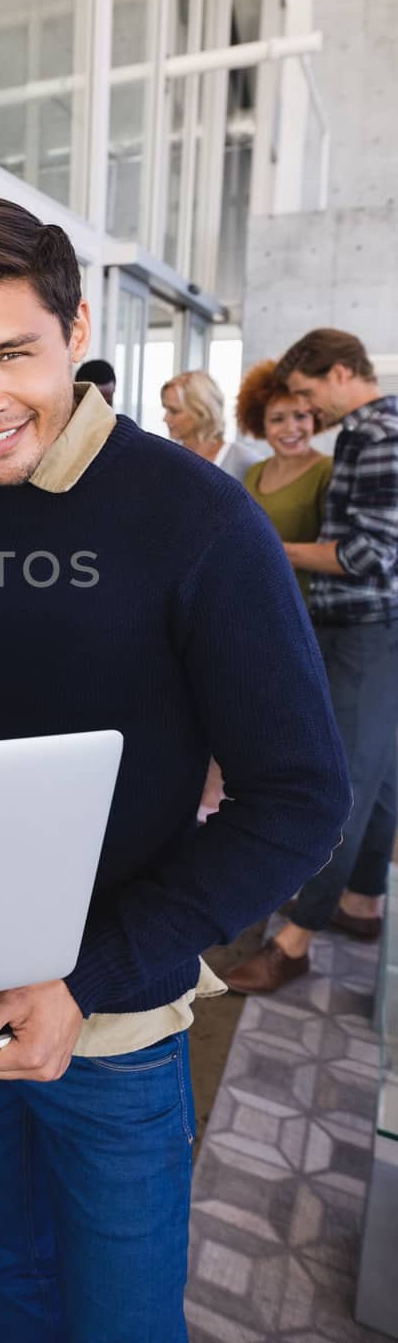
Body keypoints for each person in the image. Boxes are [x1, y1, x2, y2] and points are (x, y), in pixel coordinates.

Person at [0, 198, 349, 1343]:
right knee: (4, 1265)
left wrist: (84, 976)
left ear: (75, 327)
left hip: (112, 1025)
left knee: (118, 1339)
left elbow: (299, 798)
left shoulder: (196, 519)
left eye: (10, 354)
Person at [226, 328, 398, 994]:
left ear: (338, 371)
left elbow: (367, 554)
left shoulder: (376, 433)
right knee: (378, 777)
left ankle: (295, 942)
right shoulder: (368, 430)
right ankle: (360, 903)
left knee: (345, 785)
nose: (305, 412)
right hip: (360, 626)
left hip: (362, 625)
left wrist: (271, 547)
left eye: (305, 395)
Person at [236, 359, 332, 604]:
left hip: (306, 605)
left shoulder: (327, 471)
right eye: (277, 419)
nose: (291, 429)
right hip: (256, 599)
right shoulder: (255, 471)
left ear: (316, 419)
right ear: (261, 424)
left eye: (301, 416)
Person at [161, 368, 256, 480]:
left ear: (201, 411)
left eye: (174, 411)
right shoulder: (168, 459)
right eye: (166, 409)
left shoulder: (245, 462)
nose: (165, 418)